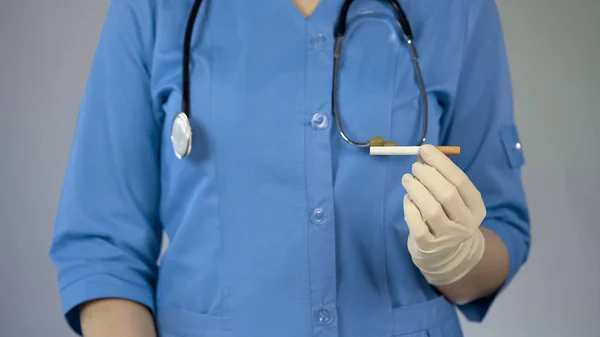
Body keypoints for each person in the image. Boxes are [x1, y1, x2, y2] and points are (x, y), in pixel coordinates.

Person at [49, 0, 531, 336]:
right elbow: (102, 252)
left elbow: (503, 229)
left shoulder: (458, 8)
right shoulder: (154, 8)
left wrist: (460, 257)